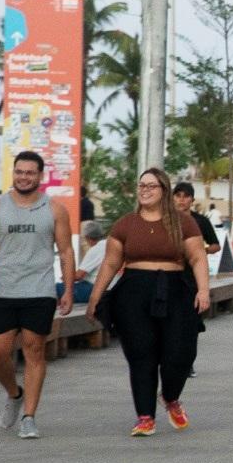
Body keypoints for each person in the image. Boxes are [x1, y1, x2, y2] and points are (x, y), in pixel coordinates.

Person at [86, 167, 211, 436]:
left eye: (151, 186)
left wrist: (203, 290)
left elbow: (198, 258)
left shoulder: (183, 222)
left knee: (180, 353)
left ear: (164, 190)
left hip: (175, 290)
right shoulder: (125, 224)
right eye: (142, 185)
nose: (145, 190)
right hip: (134, 291)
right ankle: (145, 416)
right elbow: (110, 263)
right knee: (141, 353)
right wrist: (95, 297)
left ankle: (170, 396)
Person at [0, 150, 75, 440]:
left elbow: (66, 251)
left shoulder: (54, 209)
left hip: (39, 290)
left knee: (34, 350)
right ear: (13, 173)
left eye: (30, 172)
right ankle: (14, 394)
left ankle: (29, 416)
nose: (24, 177)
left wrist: (67, 289)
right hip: (3, 290)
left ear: (40, 176)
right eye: (19, 171)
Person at [57, 219, 106, 305]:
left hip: (94, 288)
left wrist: (65, 277)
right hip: (108, 288)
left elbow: (79, 275)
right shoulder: (108, 244)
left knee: (57, 288)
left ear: (88, 238)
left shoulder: (95, 249)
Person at [173, 181, 221, 256]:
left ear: (192, 200)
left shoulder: (202, 220)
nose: (181, 199)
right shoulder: (165, 219)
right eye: (178, 195)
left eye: (186, 196)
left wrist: (203, 251)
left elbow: (216, 246)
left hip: (194, 265)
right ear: (172, 198)